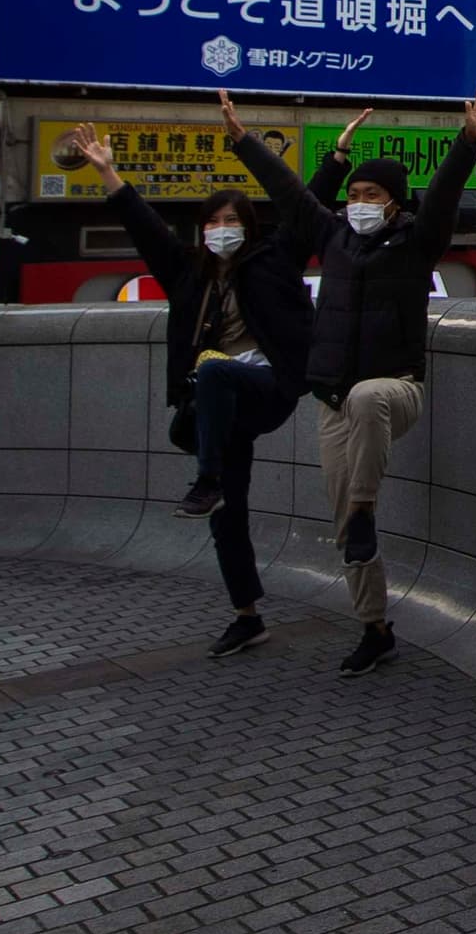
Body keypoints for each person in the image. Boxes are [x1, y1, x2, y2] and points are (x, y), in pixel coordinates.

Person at [225, 83, 476, 677]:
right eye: (354, 194)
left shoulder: (418, 243)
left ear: (395, 201)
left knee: (369, 406)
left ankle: (367, 508)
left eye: (372, 194)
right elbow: (290, 195)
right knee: (344, 526)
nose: (359, 202)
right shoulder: (334, 239)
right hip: (333, 400)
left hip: (396, 389)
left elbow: (445, 196)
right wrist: (243, 141)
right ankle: (374, 627)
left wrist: (469, 139)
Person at [66, 119, 345, 658]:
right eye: (213, 221)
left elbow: (307, 207)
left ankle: (207, 478)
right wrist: (108, 173)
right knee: (227, 516)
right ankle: (246, 615)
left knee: (215, 369)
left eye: (231, 220)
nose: (222, 228)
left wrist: (335, 160)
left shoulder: (272, 260)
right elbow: (143, 225)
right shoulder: (187, 273)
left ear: (248, 226)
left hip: (266, 387)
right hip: (218, 410)